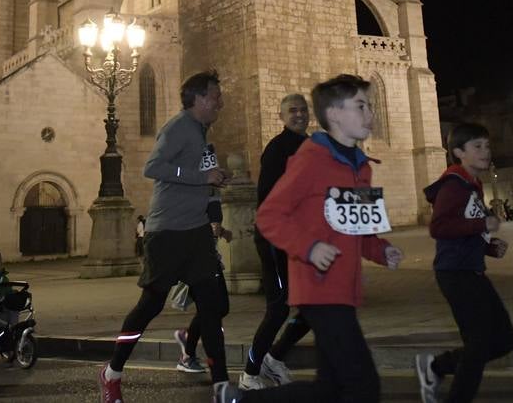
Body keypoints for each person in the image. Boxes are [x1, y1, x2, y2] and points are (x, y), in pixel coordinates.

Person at [214, 74, 405, 403]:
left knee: (329, 390)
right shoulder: (311, 158)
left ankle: (240, 400)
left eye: (369, 105)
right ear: (334, 115)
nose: (370, 114)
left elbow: (358, 229)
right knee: (363, 387)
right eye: (360, 106)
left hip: (346, 290)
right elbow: (269, 215)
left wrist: (381, 250)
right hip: (319, 290)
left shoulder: (361, 166)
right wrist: (310, 247)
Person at [101, 70, 231, 403]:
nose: (220, 101)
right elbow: (153, 167)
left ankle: (222, 386)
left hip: (197, 234)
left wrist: (214, 213)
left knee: (212, 307)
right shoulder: (178, 128)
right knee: (150, 305)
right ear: (199, 98)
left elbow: (210, 185)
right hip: (167, 233)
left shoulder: (204, 135)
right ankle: (112, 372)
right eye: (215, 95)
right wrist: (199, 177)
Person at [415, 123, 513, 403]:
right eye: (477, 146)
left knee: (505, 340)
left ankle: (435, 367)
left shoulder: (473, 184)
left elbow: (465, 229)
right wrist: (482, 222)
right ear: (459, 152)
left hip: (471, 271)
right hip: (455, 274)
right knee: (479, 344)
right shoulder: (454, 185)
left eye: (487, 145)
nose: (485, 151)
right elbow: (439, 227)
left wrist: (488, 247)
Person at [238, 92, 313, 390]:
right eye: (292, 111)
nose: (299, 115)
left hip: (302, 241)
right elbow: (267, 198)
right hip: (276, 239)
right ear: (281, 117)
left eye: (302, 110)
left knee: (312, 306)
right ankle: (248, 374)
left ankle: (275, 357)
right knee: (279, 307)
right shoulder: (277, 149)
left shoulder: (312, 148)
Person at [174, 196, 234, 374]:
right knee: (215, 309)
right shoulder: (198, 190)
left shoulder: (210, 193)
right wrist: (213, 229)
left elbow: (210, 223)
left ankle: (187, 343)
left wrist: (221, 231)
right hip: (199, 260)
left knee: (218, 308)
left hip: (207, 259)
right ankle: (192, 356)